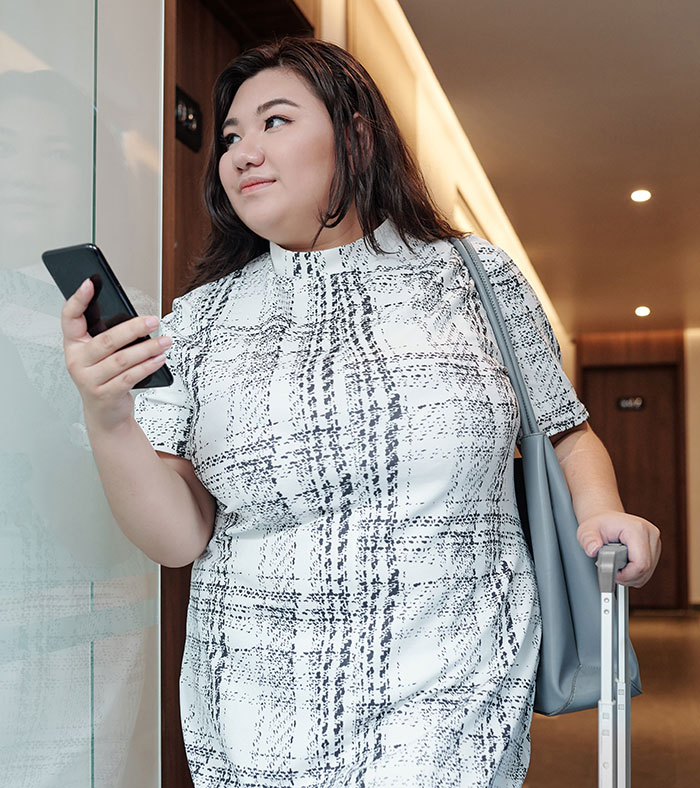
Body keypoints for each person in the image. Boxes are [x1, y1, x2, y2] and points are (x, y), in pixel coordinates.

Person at [59, 37, 661, 788]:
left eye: (275, 121)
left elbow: (567, 433)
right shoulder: (203, 320)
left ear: (357, 135)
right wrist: (108, 416)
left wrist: (603, 514)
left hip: (455, 684)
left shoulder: (471, 276)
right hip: (253, 700)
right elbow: (178, 539)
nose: (243, 152)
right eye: (231, 137)